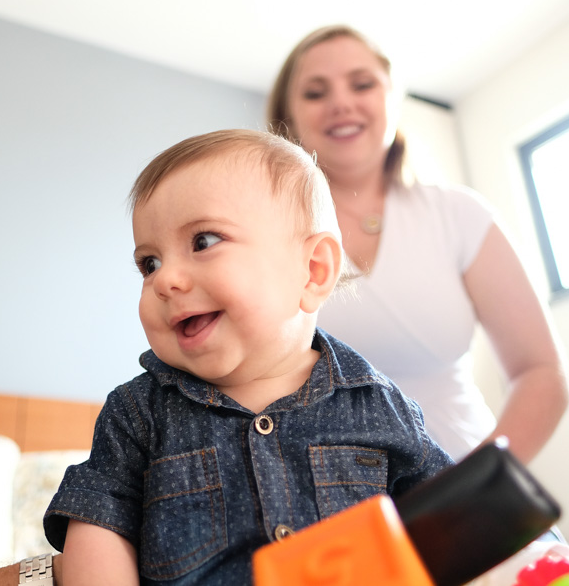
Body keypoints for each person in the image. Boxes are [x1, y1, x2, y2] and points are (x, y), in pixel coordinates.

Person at [41, 129, 455, 584]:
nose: (165, 280)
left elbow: (455, 523)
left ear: (312, 271)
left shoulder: (379, 406)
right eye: (149, 263)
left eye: (203, 241)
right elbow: (99, 529)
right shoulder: (137, 414)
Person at [266, 24, 569, 463]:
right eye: (316, 93)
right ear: (288, 116)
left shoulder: (460, 214)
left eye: (362, 84)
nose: (341, 103)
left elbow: (540, 371)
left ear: (394, 97)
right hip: (334, 493)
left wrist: (479, 486)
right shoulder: (264, 236)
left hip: (469, 473)